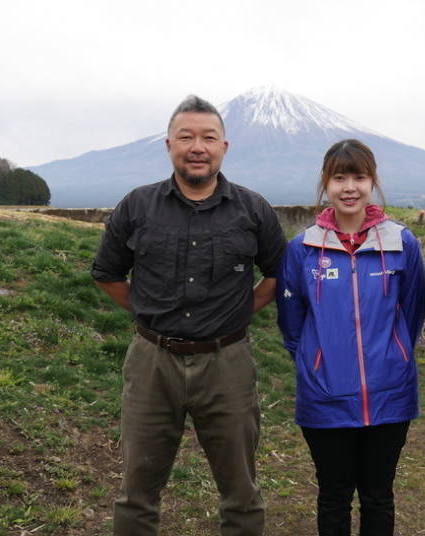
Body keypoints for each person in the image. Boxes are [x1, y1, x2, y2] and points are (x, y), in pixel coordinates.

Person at [90, 95, 286, 536]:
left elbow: (278, 273)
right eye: (186, 137)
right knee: (136, 491)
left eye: (208, 137)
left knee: (241, 491)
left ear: (224, 147)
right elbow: (106, 273)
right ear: (168, 145)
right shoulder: (137, 206)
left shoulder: (253, 210)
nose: (197, 146)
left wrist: (238, 313)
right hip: (151, 362)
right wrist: (146, 313)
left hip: (228, 364)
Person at [276, 139, 425, 536]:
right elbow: (292, 322)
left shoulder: (401, 243)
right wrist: (316, 362)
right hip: (325, 396)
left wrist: (394, 356)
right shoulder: (303, 247)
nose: (349, 187)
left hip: (389, 395)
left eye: (358, 177)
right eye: (339, 177)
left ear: (372, 181)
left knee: (378, 496)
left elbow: (412, 313)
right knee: (333, 496)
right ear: (325, 183)